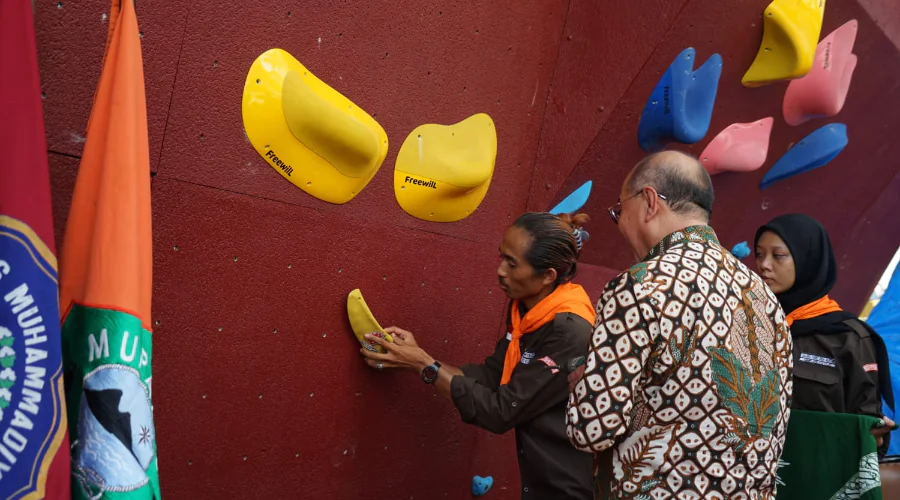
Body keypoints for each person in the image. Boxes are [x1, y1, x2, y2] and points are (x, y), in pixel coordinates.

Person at [566, 150, 793, 499]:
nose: (620, 224)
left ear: (649, 202)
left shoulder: (640, 284)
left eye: (618, 211)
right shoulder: (765, 297)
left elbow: (592, 428)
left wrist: (585, 382)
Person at [359, 212, 597, 499]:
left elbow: (502, 411)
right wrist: (413, 358)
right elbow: (492, 376)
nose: (500, 270)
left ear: (547, 276)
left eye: (512, 263)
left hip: (569, 488)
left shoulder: (568, 332)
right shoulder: (527, 308)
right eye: (501, 258)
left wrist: (425, 366)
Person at [754, 213, 895, 448]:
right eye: (759, 254)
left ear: (808, 259)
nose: (764, 265)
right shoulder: (748, 326)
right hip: (748, 477)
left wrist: (874, 434)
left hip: (819, 474)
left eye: (778, 256)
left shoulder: (847, 337)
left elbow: (868, 426)